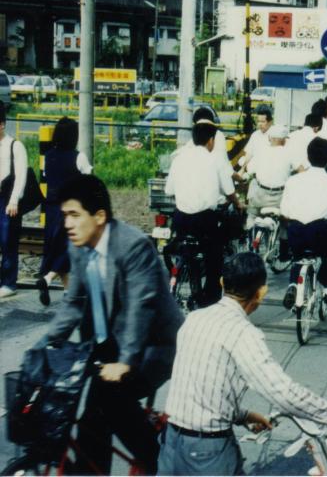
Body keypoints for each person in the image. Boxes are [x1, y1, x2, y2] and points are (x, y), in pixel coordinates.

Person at [158, 252, 327, 476]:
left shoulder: (195, 318)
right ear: (261, 292)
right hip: (208, 453)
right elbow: (283, 393)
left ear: (221, 282)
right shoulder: (242, 334)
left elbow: (202, 385)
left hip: (171, 442)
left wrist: (243, 415)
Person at [38, 174, 184, 474]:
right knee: (86, 413)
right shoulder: (79, 246)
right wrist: (43, 346)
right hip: (108, 346)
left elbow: (139, 308)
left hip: (153, 346)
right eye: (65, 216)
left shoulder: (133, 246)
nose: (67, 224)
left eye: (74, 215)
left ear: (100, 216)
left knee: (110, 402)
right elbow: (74, 303)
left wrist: (126, 362)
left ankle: (159, 464)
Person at [166, 121, 244, 306]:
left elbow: (169, 190)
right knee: (214, 255)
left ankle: (183, 271)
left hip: (181, 218)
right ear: (211, 141)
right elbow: (228, 189)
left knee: (185, 247)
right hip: (204, 219)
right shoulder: (214, 160)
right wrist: (238, 203)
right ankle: (210, 297)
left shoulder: (179, 159)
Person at [281, 138, 327, 307]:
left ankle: (292, 285)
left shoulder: (293, 180)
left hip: (295, 231)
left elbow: (285, 212)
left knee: (298, 257)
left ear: (308, 156)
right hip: (320, 233)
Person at [37, 117, 93, 306]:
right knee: (69, 249)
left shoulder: (48, 156)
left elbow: (46, 177)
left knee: (57, 247)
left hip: (51, 209)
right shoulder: (79, 157)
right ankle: (48, 278)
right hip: (70, 211)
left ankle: (68, 292)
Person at [0, 102, 29, 298]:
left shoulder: (15, 145)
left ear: (1, 124)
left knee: (7, 240)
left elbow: (21, 176)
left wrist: (14, 200)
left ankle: (9, 283)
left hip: (6, 199)